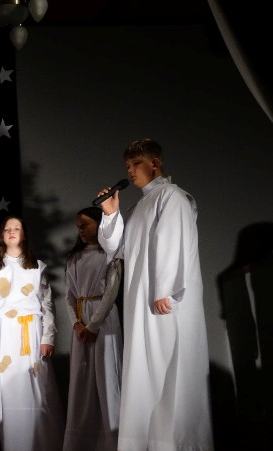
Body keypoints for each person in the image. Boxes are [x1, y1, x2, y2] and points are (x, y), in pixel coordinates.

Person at [96, 138, 213, 450]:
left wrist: (165, 290)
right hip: (140, 303)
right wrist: (110, 214)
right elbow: (116, 248)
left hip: (165, 302)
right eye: (127, 166)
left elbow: (173, 240)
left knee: (169, 373)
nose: (131, 171)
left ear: (155, 164)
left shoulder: (172, 196)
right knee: (144, 373)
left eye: (136, 164)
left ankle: (176, 443)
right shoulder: (138, 207)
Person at [0, 215, 64, 451]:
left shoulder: (37, 267)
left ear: (24, 234)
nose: (12, 232)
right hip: (2, 333)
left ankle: (43, 444)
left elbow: (47, 305)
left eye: (16, 228)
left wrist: (47, 337)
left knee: (38, 388)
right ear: (2, 236)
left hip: (31, 332)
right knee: (8, 390)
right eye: (7, 229)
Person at [62, 207, 123, 451]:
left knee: (107, 376)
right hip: (81, 322)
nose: (80, 230)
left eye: (85, 224)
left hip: (103, 321)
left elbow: (111, 292)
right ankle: (82, 442)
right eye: (78, 226)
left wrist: (93, 325)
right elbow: (69, 295)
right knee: (81, 380)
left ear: (99, 225)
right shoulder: (74, 258)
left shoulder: (110, 255)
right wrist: (76, 324)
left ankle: (112, 440)